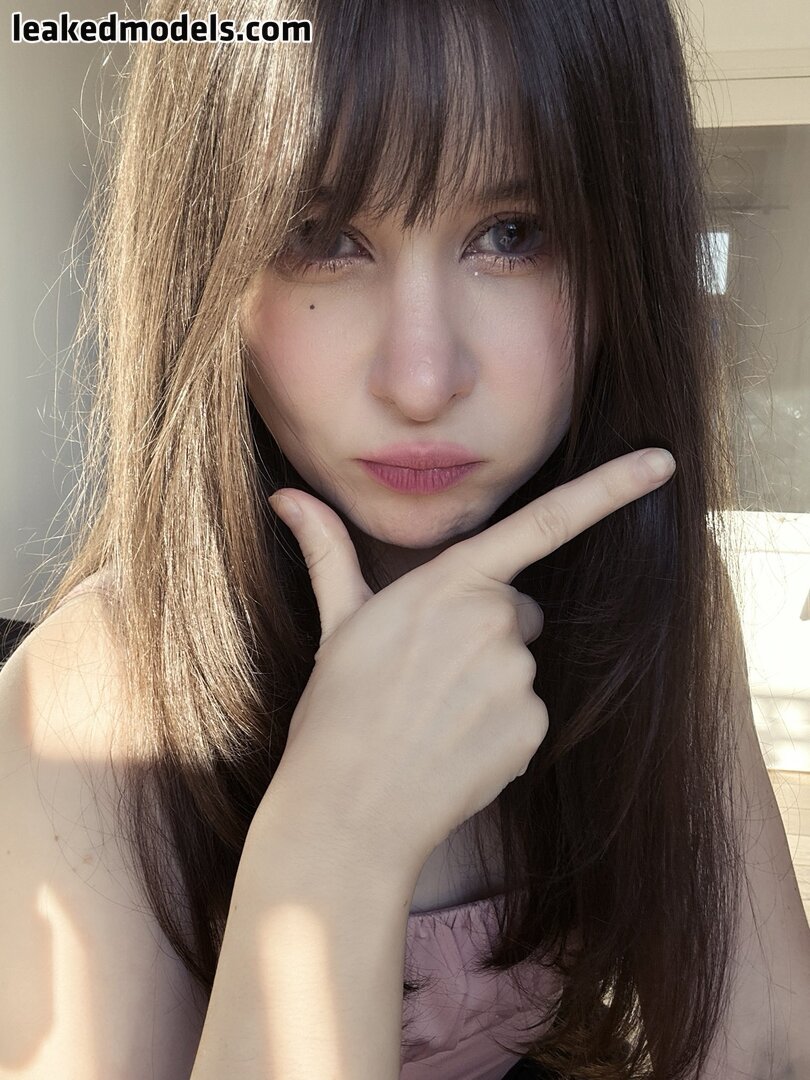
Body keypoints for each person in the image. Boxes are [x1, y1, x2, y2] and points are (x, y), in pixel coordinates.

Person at [1, 1, 808, 1078]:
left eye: (514, 235)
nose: (422, 381)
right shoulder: (94, 704)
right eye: (320, 237)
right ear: (204, 265)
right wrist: (338, 837)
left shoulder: (652, 597)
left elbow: (764, 1044)